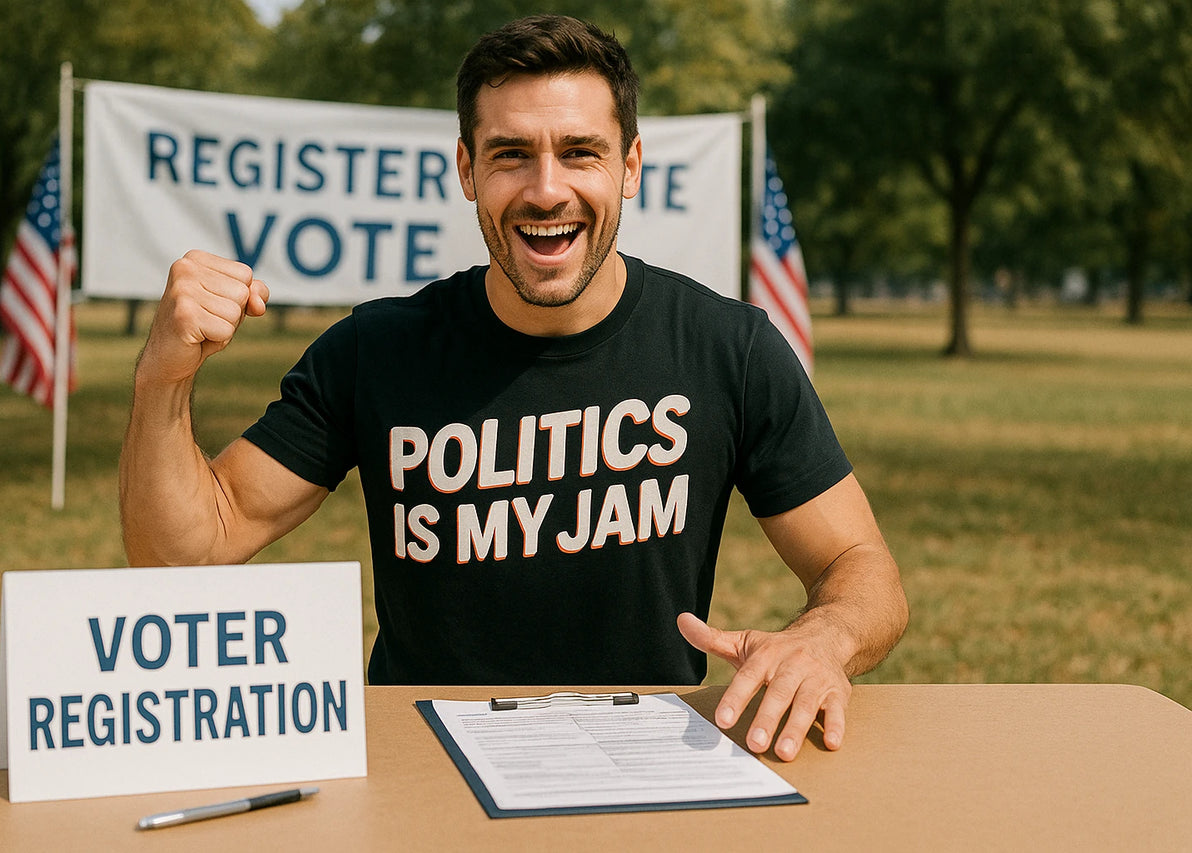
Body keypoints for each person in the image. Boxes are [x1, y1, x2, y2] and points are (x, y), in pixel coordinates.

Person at [119, 14, 908, 762]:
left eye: (579, 152)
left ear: (630, 166)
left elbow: (858, 562)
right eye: (509, 155)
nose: (545, 189)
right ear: (466, 169)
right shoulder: (376, 350)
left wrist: (824, 637)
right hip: (423, 767)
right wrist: (162, 379)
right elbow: (185, 553)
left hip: (645, 766)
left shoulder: (727, 349)